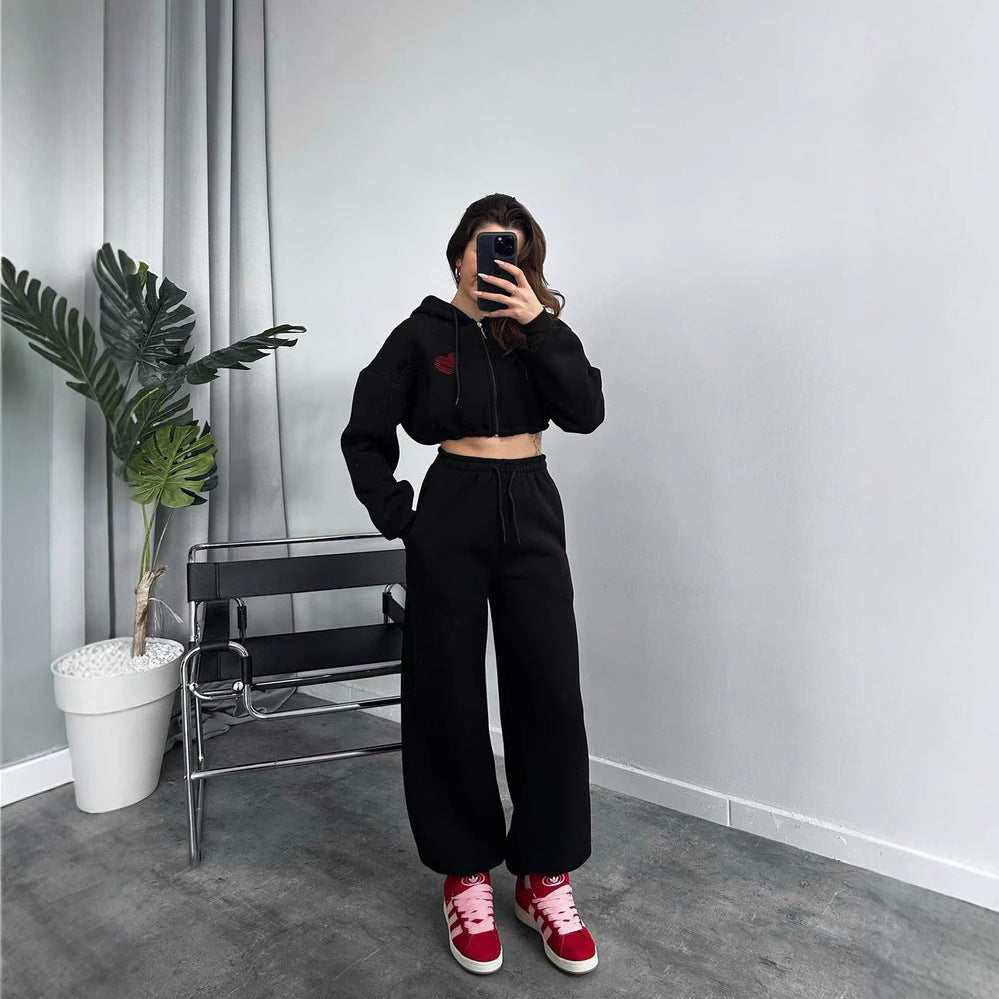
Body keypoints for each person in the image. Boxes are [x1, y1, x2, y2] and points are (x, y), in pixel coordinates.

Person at [340, 193, 605, 976]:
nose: (494, 260)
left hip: (532, 504)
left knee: (547, 688)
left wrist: (539, 323)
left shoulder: (534, 331)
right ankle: (464, 875)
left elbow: (586, 411)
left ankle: (543, 877)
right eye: (485, 245)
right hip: (451, 505)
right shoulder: (420, 334)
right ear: (458, 250)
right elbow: (363, 435)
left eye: (511, 249)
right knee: (446, 691)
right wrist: (405, 519)